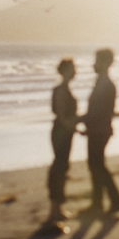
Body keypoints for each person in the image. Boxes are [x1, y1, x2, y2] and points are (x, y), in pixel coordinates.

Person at [78, 48, 119, 215]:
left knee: (97, 166)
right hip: (99, 129)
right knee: (96, 165)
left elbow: (98, 112)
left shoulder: (104, 84)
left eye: (96, 60)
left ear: (104, 63)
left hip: (99, 130)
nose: (93, 64)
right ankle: (101, 203)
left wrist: (79, 120)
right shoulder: (103, 82)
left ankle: (110, 202)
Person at [48, 58, 77, 222]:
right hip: (61, 131)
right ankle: (54, 209)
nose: (75, 72)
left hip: (63, 131)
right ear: (65, 71)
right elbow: (61, 115)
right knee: (59, 168)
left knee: (61, 166)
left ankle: (57, 208)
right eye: (73, 68)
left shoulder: (64, 88)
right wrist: (73, 127)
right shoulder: (61, 90)